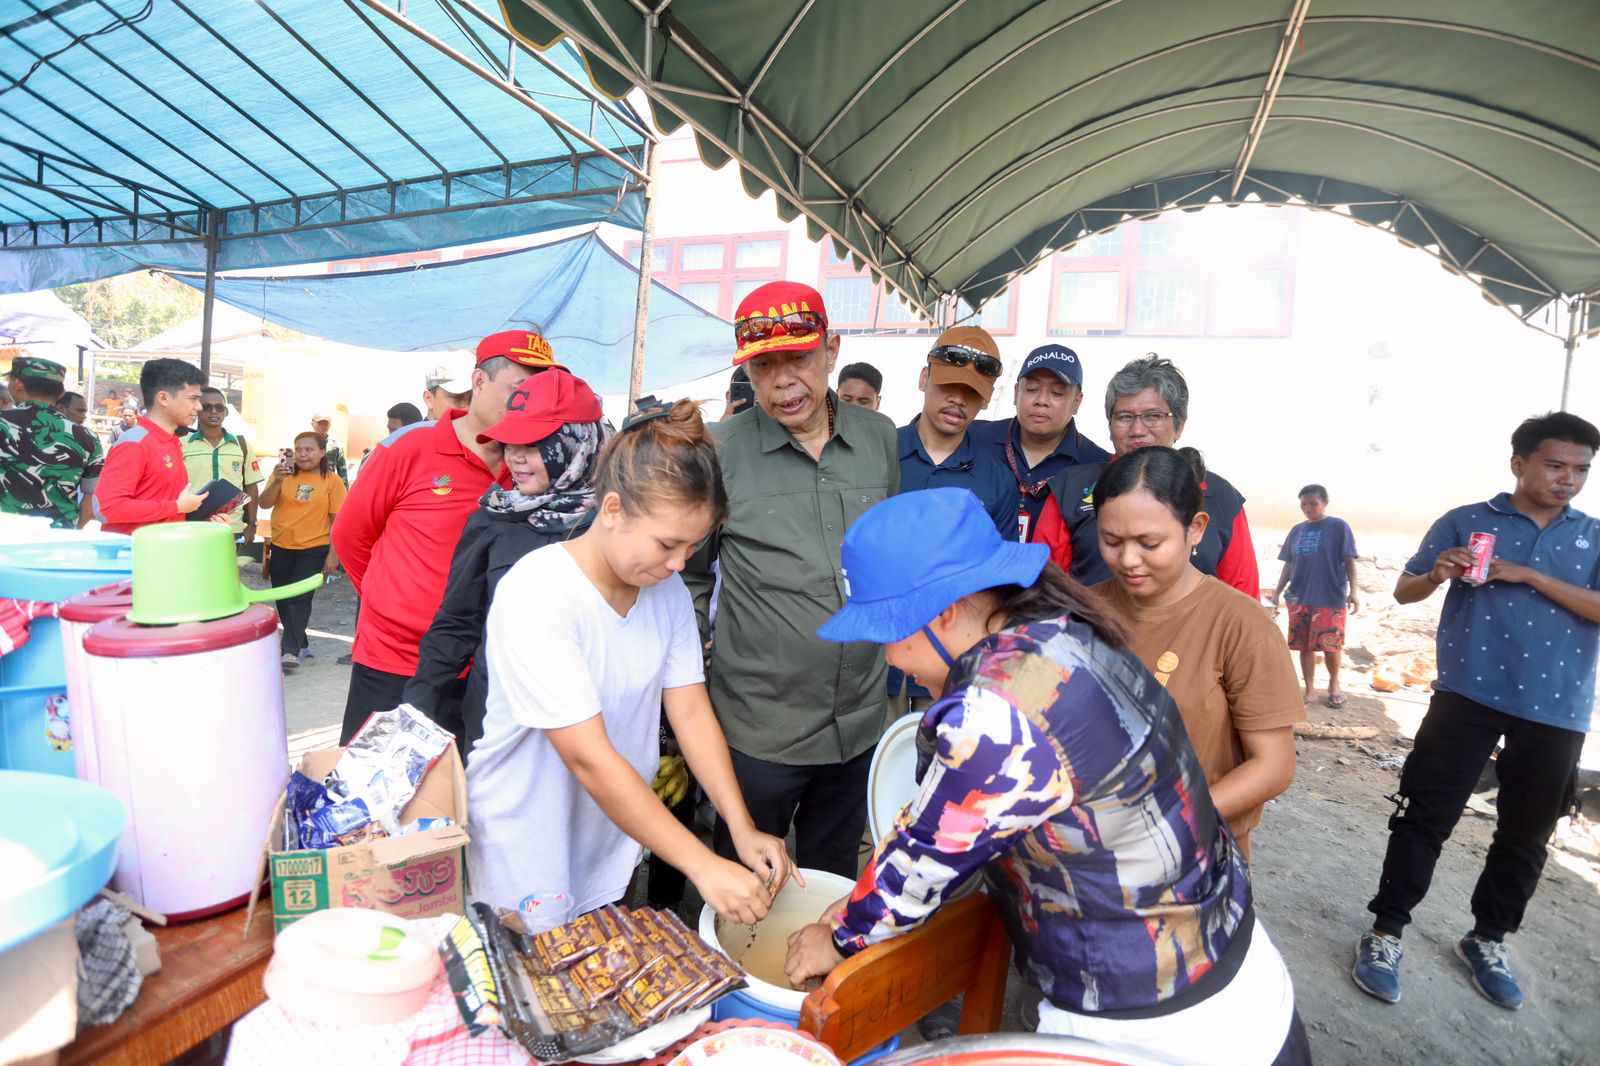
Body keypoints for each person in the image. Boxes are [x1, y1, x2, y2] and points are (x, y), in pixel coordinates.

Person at [783, 488, 1309, 1065]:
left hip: (1163, 1022)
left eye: (887, 634)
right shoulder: (1060, 629)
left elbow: (922, 862)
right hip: (1228, 957)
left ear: (943, 613)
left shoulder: (998, 711)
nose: (888, 657)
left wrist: (837, 937)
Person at [467, 397, 797, 925]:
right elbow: (588, 757)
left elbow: (689, 710)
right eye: (668, 544)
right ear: (613, 509)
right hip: (527, 845)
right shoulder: (539, 591)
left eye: (692, 547)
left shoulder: (663, 592)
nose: (679, 564)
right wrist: (703, 866)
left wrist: (740, 826)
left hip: (612, 838)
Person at [1351, 411, 1599, 1012]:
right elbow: (1405, 588)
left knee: (1526, 835)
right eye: (1555, 464)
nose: (1568, 479)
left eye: (1581, 470)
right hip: (1466, 695)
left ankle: (1487, 939)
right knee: (1424, 817)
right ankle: (1385, 932)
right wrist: (1436, 573)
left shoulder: (1592, 535)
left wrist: (1530, 575)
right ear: (1519, 464)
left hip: (1556, 708)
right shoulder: (1466, 521)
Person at [683, 281, 899, 880]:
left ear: (831, 349)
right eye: (763, 365)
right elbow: (689, 576)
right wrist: (693, 671)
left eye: (798, 358)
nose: (782, 381)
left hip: (857, 723)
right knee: (748, 884)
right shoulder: (718, 451)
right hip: (759, 730)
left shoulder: (879, 439)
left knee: (833, 884)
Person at [332, 330, 554, 743]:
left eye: (537, 392)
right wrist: (390, 602)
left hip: (481, 666)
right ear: (480, 382)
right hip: (396, 658)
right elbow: (350, 536)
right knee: (378, 788)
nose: (526, 402)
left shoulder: (533, 468)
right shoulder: (409, 449)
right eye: (518, 389)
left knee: (461, 792)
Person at [1093, 447, 1302, 859]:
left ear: (1196, 529)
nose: (1128, 559)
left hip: (1197, 857)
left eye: (1149, 543)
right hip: (1091, 852)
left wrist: (1173, 822)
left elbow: (1274, 765)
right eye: (1112, 540)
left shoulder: (1242, 626)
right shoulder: (1082, 611)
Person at [404, 369, 608, 756]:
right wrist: (418, 706)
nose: (514, 457)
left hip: (592, 728)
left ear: (575, 444)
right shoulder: (496, 515)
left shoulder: (617, 521)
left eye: (532, 444)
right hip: (497, 726)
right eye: (509, 442)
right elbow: (458, 621)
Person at [1037, 354, 1259, 596]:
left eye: (1153, 416)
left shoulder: (1221, 497)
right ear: (1109, 425)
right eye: (1124, 417)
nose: (1137, 430)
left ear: (1180, 425)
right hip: (1088, 631)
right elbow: (1045, 589)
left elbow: (1242, 597)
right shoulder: (1070, 489)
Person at [891, 326, 1019, 715]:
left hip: (948, 663)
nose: (958, 400)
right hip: (870, 659)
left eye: (971, 394)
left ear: (985, 401)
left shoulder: (996, 480)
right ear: (924, 378)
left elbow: (1000, 582)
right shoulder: (878, 454)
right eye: (949, 385)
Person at [967, 344, 1111, 542]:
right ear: (1016, 392)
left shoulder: (1100, 467)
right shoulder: (973, 438)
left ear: (1077, 402)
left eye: (1057, 393)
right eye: (1032, 389)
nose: (1042, 400)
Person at [1269, 484, 1361, 707]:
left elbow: (1350, 561)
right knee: (1304, 646)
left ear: (1325, 503)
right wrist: (1278, 592)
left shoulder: (1338, 527)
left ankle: (1334, 684)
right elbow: (1289, 564)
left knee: (1331, 645)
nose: (1308, 508)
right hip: (1298, 596)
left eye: (1313, 503)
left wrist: (1354, 592)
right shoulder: (1297, 530)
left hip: (1330, 596)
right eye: (1303, 505)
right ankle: (1309, 689)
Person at [260, 432, 345, 669]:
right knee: (284, 598)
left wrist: (333, 554)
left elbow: (337, 520)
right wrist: (277, 481)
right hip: (281, 546)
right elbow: (264, 503)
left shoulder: (331, 481)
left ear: (321, 453)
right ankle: (301, 641)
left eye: (309, 449)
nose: (303, 454)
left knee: (300, 599)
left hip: (314, 548)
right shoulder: (282, 475)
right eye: (298, 449)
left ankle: (289, 650)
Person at [94, 358, 208, 535]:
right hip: (136, 557)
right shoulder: (134, 444)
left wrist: (202, 516)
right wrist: (176, 507)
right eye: (193, 399)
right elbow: (107, 508)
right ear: (163, 398)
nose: (199, 407)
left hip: (164, 553)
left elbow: (165, 504)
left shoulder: (171, 441)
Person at [0, 356, 103, 529]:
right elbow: (93, 496)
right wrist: (73, 530)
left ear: (17, 384)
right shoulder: (88, 437)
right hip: (57, 538)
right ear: (61, 393)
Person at [183, 386, 262, 548]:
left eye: (219, 407)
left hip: (232, 527)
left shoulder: (241, 445)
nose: (214, 412)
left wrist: (252, 525)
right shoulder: (182, 444)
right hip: (193, 525)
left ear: (225, 412)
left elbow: (251, 486)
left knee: (228, 572)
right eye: (207, 407)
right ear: (198, 409)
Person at [310, 412, 348, 485]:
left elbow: (342, 472)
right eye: (320, 423)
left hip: (328, 486)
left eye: (325, 423)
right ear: (312, 424)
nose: (323, 426)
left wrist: (345, 491)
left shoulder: (335, 446)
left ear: (330, 425)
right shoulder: (304, 443)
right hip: (308, 486)